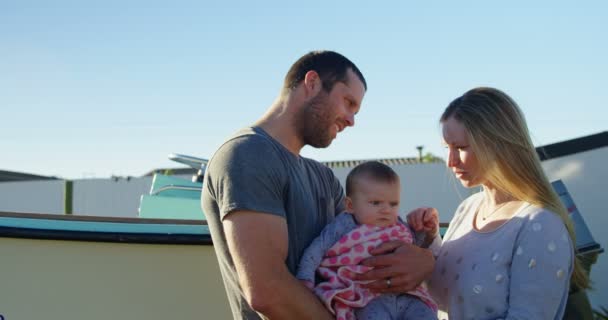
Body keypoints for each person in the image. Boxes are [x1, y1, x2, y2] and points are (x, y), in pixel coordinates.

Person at [201, 50, 435, 320]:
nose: (351, 120)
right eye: (348, 102)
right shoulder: (247, 154)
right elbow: (268, 291)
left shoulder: (324, 178)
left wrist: (424, 258)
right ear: (311, 83)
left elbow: (361, 251)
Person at [407, 87, 589, 320]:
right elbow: (446, 296)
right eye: (447, 148)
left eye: (461, 148)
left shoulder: (541, 225)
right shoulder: (469, 207)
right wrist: (430, 240)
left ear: (497, 144)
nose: (450, 161)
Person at [296, 161, 438, 320]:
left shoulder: (399, 225)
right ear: (350, 205)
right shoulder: (344, 224)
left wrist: (425, 230)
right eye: (376, 203)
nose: (386, 210)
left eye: (393, 203)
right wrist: (305, 279)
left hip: (408, 295)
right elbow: (317, 248)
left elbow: (414, 247)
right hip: (367, 298)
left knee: (426, 315)